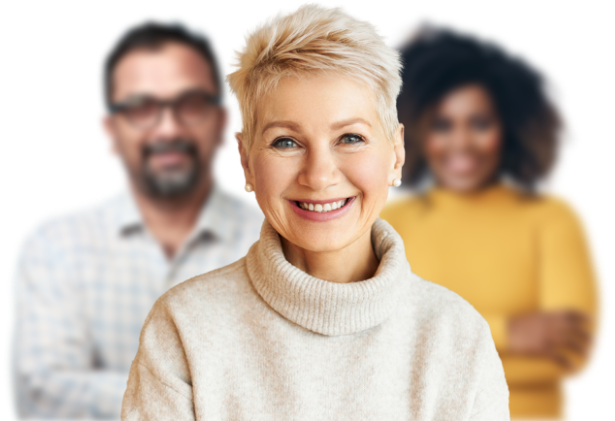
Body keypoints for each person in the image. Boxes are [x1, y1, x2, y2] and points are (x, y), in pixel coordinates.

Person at [120, 3, 510, 420]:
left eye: (351, 137)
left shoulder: (456, 336)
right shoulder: (184, 328)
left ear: (396, 154)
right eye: (286, 142)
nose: (319, 175)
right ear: (247, 162)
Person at [6, 14, 264, 421]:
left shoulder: (281, 237)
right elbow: (40, 396)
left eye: (190, 103)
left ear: (227, 121)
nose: (167, 128)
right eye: (141, 107)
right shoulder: (52, 241)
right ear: (105, 132)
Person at [380, 14, 609, 421]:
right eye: (442, 125)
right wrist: (514, 333)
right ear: (414, 129)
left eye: (479, 123)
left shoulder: (558, 214)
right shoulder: (388, 216)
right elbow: (374, 347)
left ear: (510, 125)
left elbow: (579, 359)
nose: (461, 143)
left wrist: (432, 352)